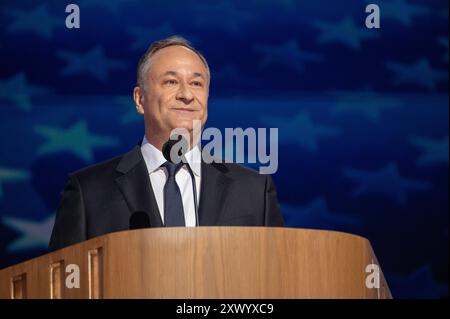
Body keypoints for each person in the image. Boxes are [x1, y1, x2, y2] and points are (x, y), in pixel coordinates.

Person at [49, 36, 284, 251]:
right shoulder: (88, 191)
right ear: (140, 99)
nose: (187, 95)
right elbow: (62, 283)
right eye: (171, 82)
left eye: (196, 84)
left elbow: (280, 279)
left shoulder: (254, 190)